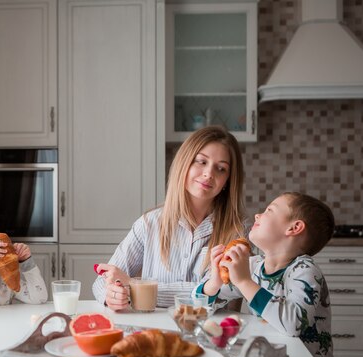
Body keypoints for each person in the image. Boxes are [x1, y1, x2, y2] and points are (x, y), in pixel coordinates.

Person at [194, 192, 362, 357]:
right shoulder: (253, 266)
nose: (258, 214)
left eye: (269, 210)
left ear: (294, 228)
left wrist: (243, 281)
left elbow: (293, 324)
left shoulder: (304, 270)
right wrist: (214, 281)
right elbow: (200, 306)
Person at [92, 125, 247, 310]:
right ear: (184, 164)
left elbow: (217, 291)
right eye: (201, 162)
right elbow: (102, 280)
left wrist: (135, 287)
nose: (209, 174)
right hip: (153, 332)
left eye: (221, 168)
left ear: (227, 182)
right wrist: (112, 295)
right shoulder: (149, 224)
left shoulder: (238, 231)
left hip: (209, 335)